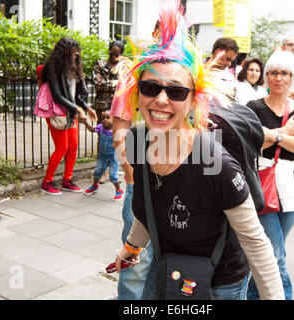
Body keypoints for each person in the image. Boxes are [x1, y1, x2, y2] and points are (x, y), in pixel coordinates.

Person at [113, 0, 284, 300]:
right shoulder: (137, 141)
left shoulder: (216, 162)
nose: (161, 100)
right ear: (137, 92)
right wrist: (129, 249)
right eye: (151, 87)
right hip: (167, 269)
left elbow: (256, 244)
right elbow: (148, 205)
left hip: (219, 283)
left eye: (176, 91)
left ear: (193, 100)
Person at [246, 50, 294, 300]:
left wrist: (273, 135)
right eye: (273, 72)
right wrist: (286, 132)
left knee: (271, 251)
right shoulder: (253, 108)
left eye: (284, 73)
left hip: (292, 189)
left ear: (292, 78)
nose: (278, 78)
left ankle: (254, 294)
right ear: (266, 77)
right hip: (261, 187)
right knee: (274, 254)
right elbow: (250, 144)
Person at [109, 21, 161, 300]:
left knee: (162, 262)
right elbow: (119, 131)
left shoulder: (182, 75)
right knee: (135, 261)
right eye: (163, 31)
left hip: (176, 182)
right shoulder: (132, 75)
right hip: (141, 182)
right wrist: (130, 172)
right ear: (153, 34)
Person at [39, 37, 97, 195]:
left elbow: (75, 96)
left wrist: (86, 107)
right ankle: (47, 182)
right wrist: (78, 110)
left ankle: (67, 180)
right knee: (62, 148)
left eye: (77, 52)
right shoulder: (53, 67)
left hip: (70, 112)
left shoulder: (73, 68)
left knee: (73, 147)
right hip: (57, 112)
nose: (75, 55)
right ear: (63, 52)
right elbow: (57, 96)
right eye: (72, 52)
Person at [84, 110, 124, 201]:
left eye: (108, 118)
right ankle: (95, 185)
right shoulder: (101, 127)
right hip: (102, 156)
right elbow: (92, 129)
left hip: (113, 157)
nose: (105, 120)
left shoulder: (116, 130)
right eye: (103, 118)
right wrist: (85, 122)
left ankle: (119, 190)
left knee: (113, 175)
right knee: (97, 171)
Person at [92, 40, 125, 124]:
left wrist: (106, 83)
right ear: (108, 52)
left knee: (118, 134)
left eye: (116, 55)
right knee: (102, 133)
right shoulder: (100, 65)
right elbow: (98, 84)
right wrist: (117, 83)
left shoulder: (124, 67)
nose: (113, 57)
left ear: (121, 55)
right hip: (101, 106)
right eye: (111, 54)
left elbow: (125, 86)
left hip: (119, 106)